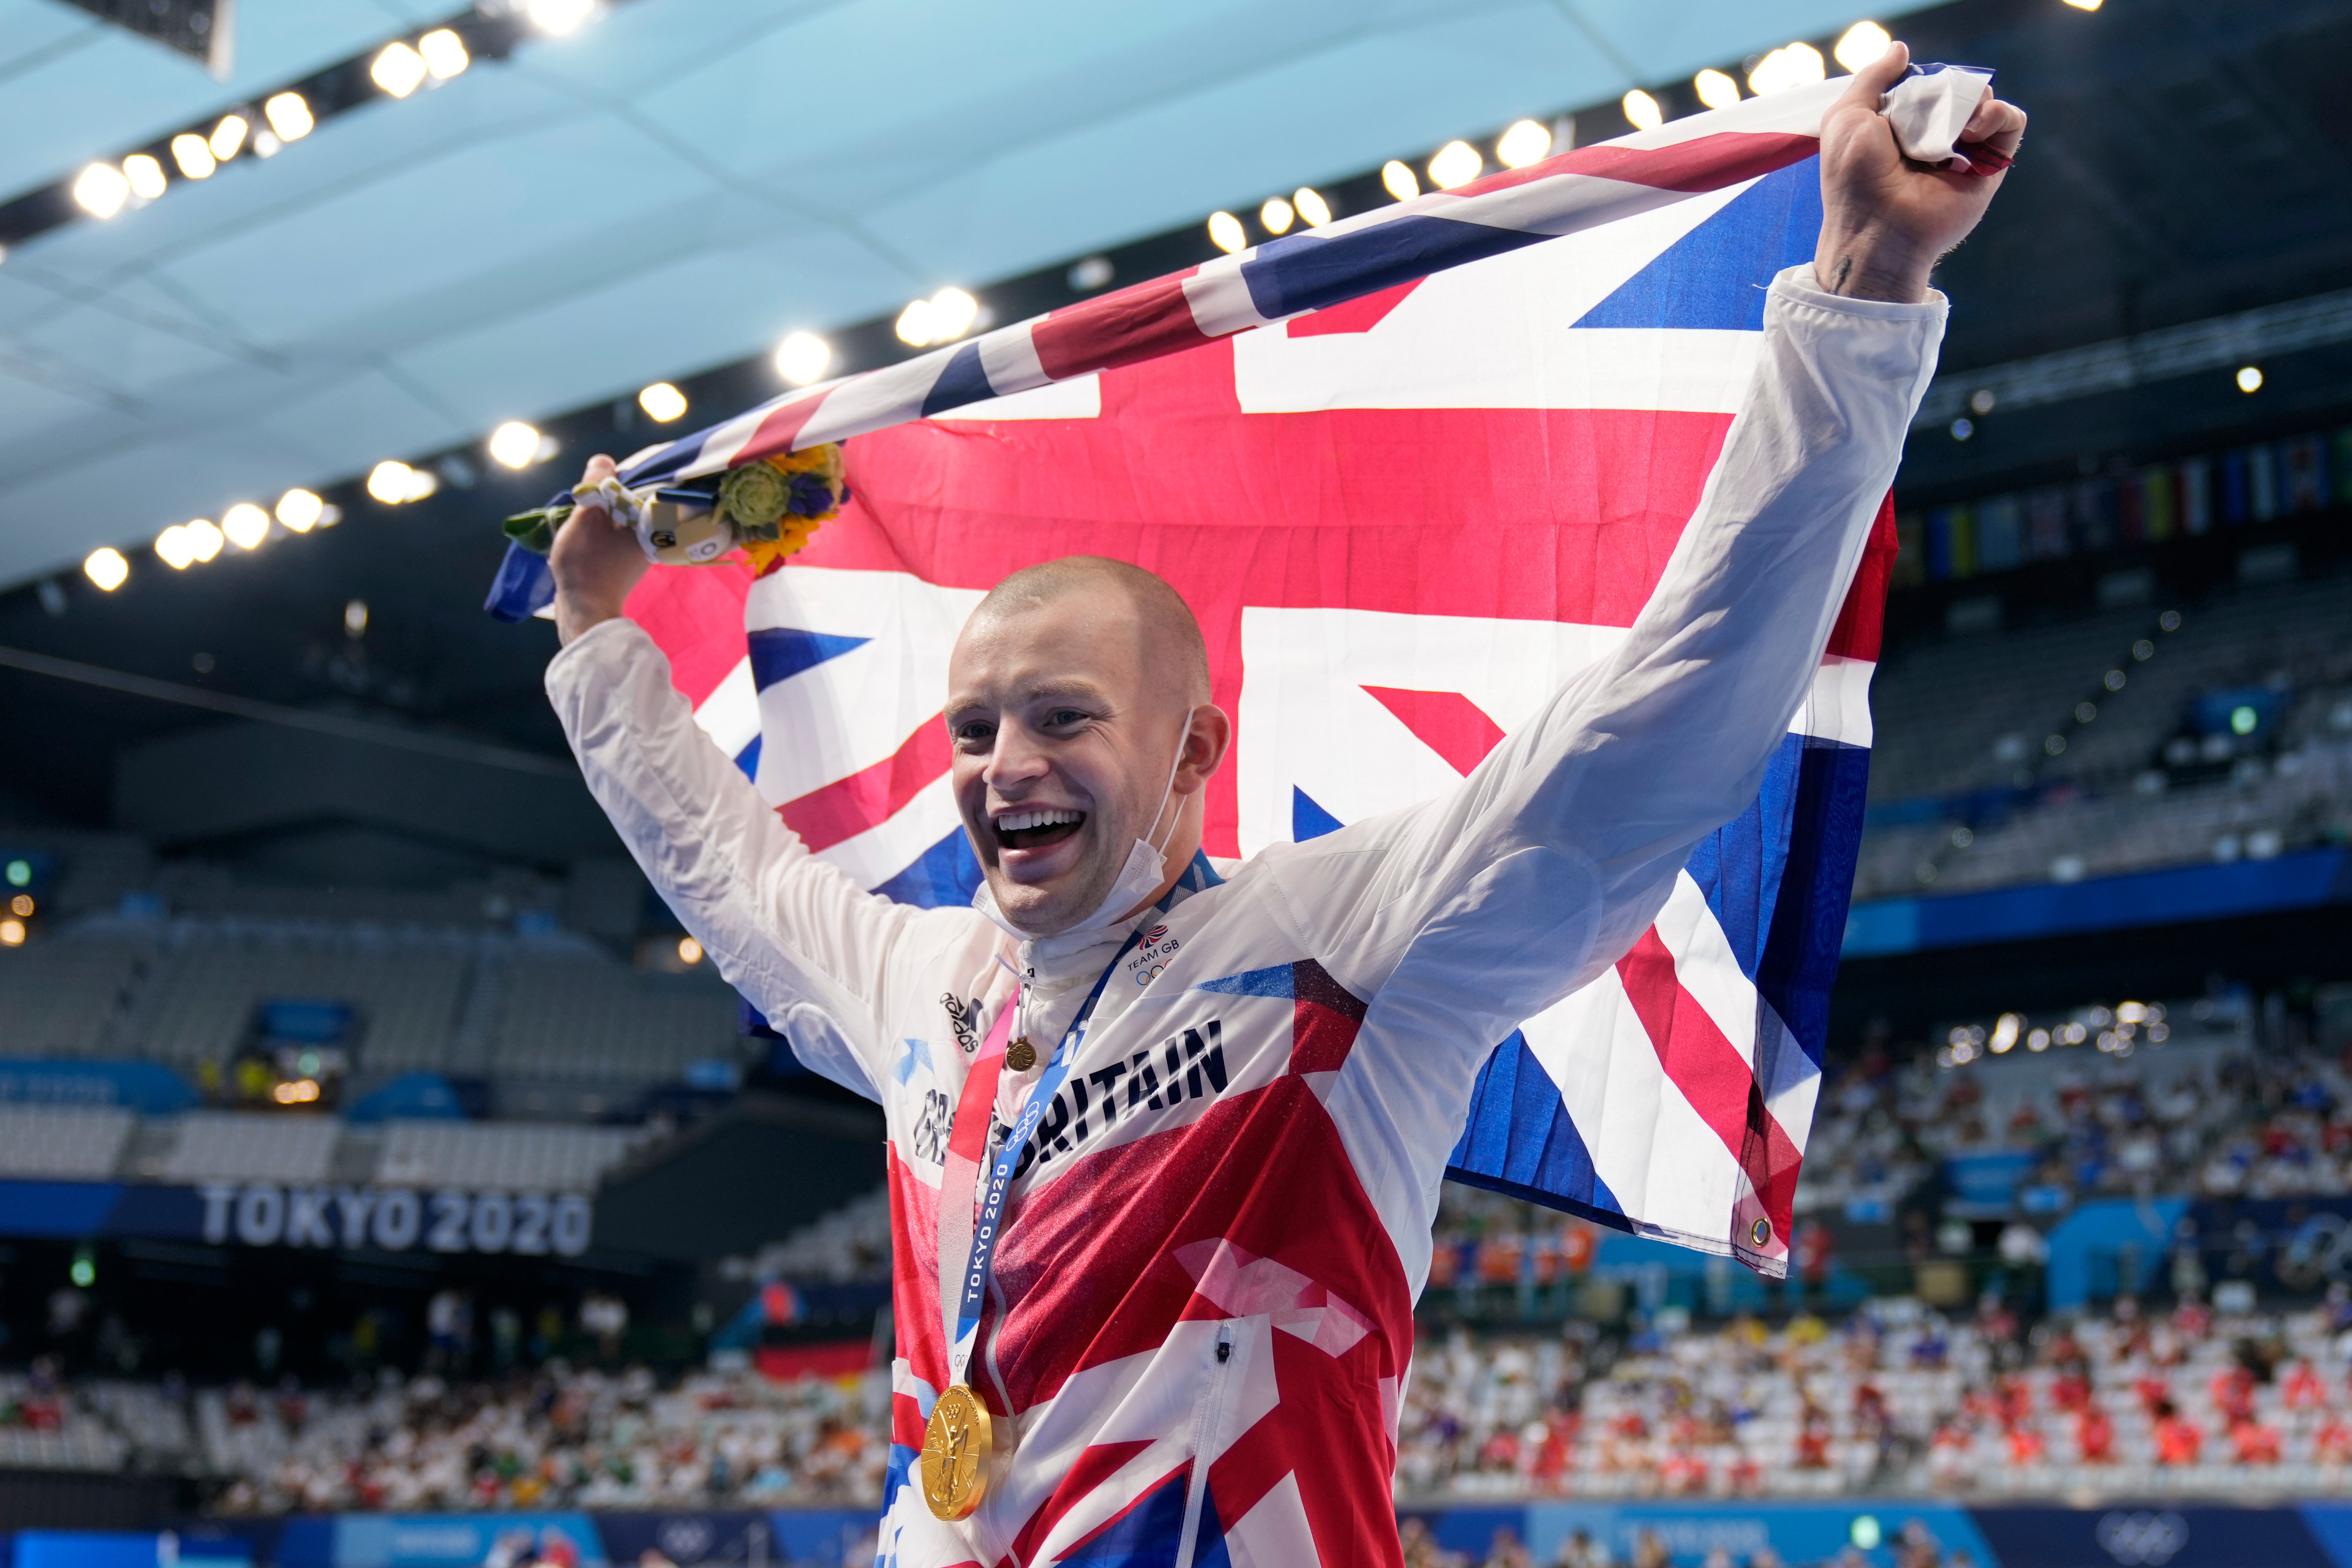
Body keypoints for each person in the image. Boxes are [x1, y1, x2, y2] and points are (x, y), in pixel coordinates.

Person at [543, 46, 2021, 1568]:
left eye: (1064, 718)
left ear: (1195, 750)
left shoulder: (1348, 952)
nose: (1003, 764)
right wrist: (596, 632)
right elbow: (723, 867)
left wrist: (1858, 291)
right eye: (974, 726)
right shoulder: (920, 985)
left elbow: (1654, 727)